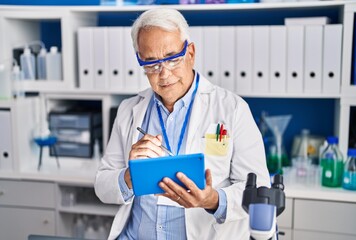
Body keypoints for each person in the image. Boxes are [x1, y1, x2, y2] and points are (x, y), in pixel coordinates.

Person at [94, 8, 270, 240]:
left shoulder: (232, 109)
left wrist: (213, 200)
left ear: (191, 53)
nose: (164, 74)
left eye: (173, 59)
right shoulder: (129, 110)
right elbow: (102, 184)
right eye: (151, 64)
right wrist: (129, 176)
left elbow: (258, 192)